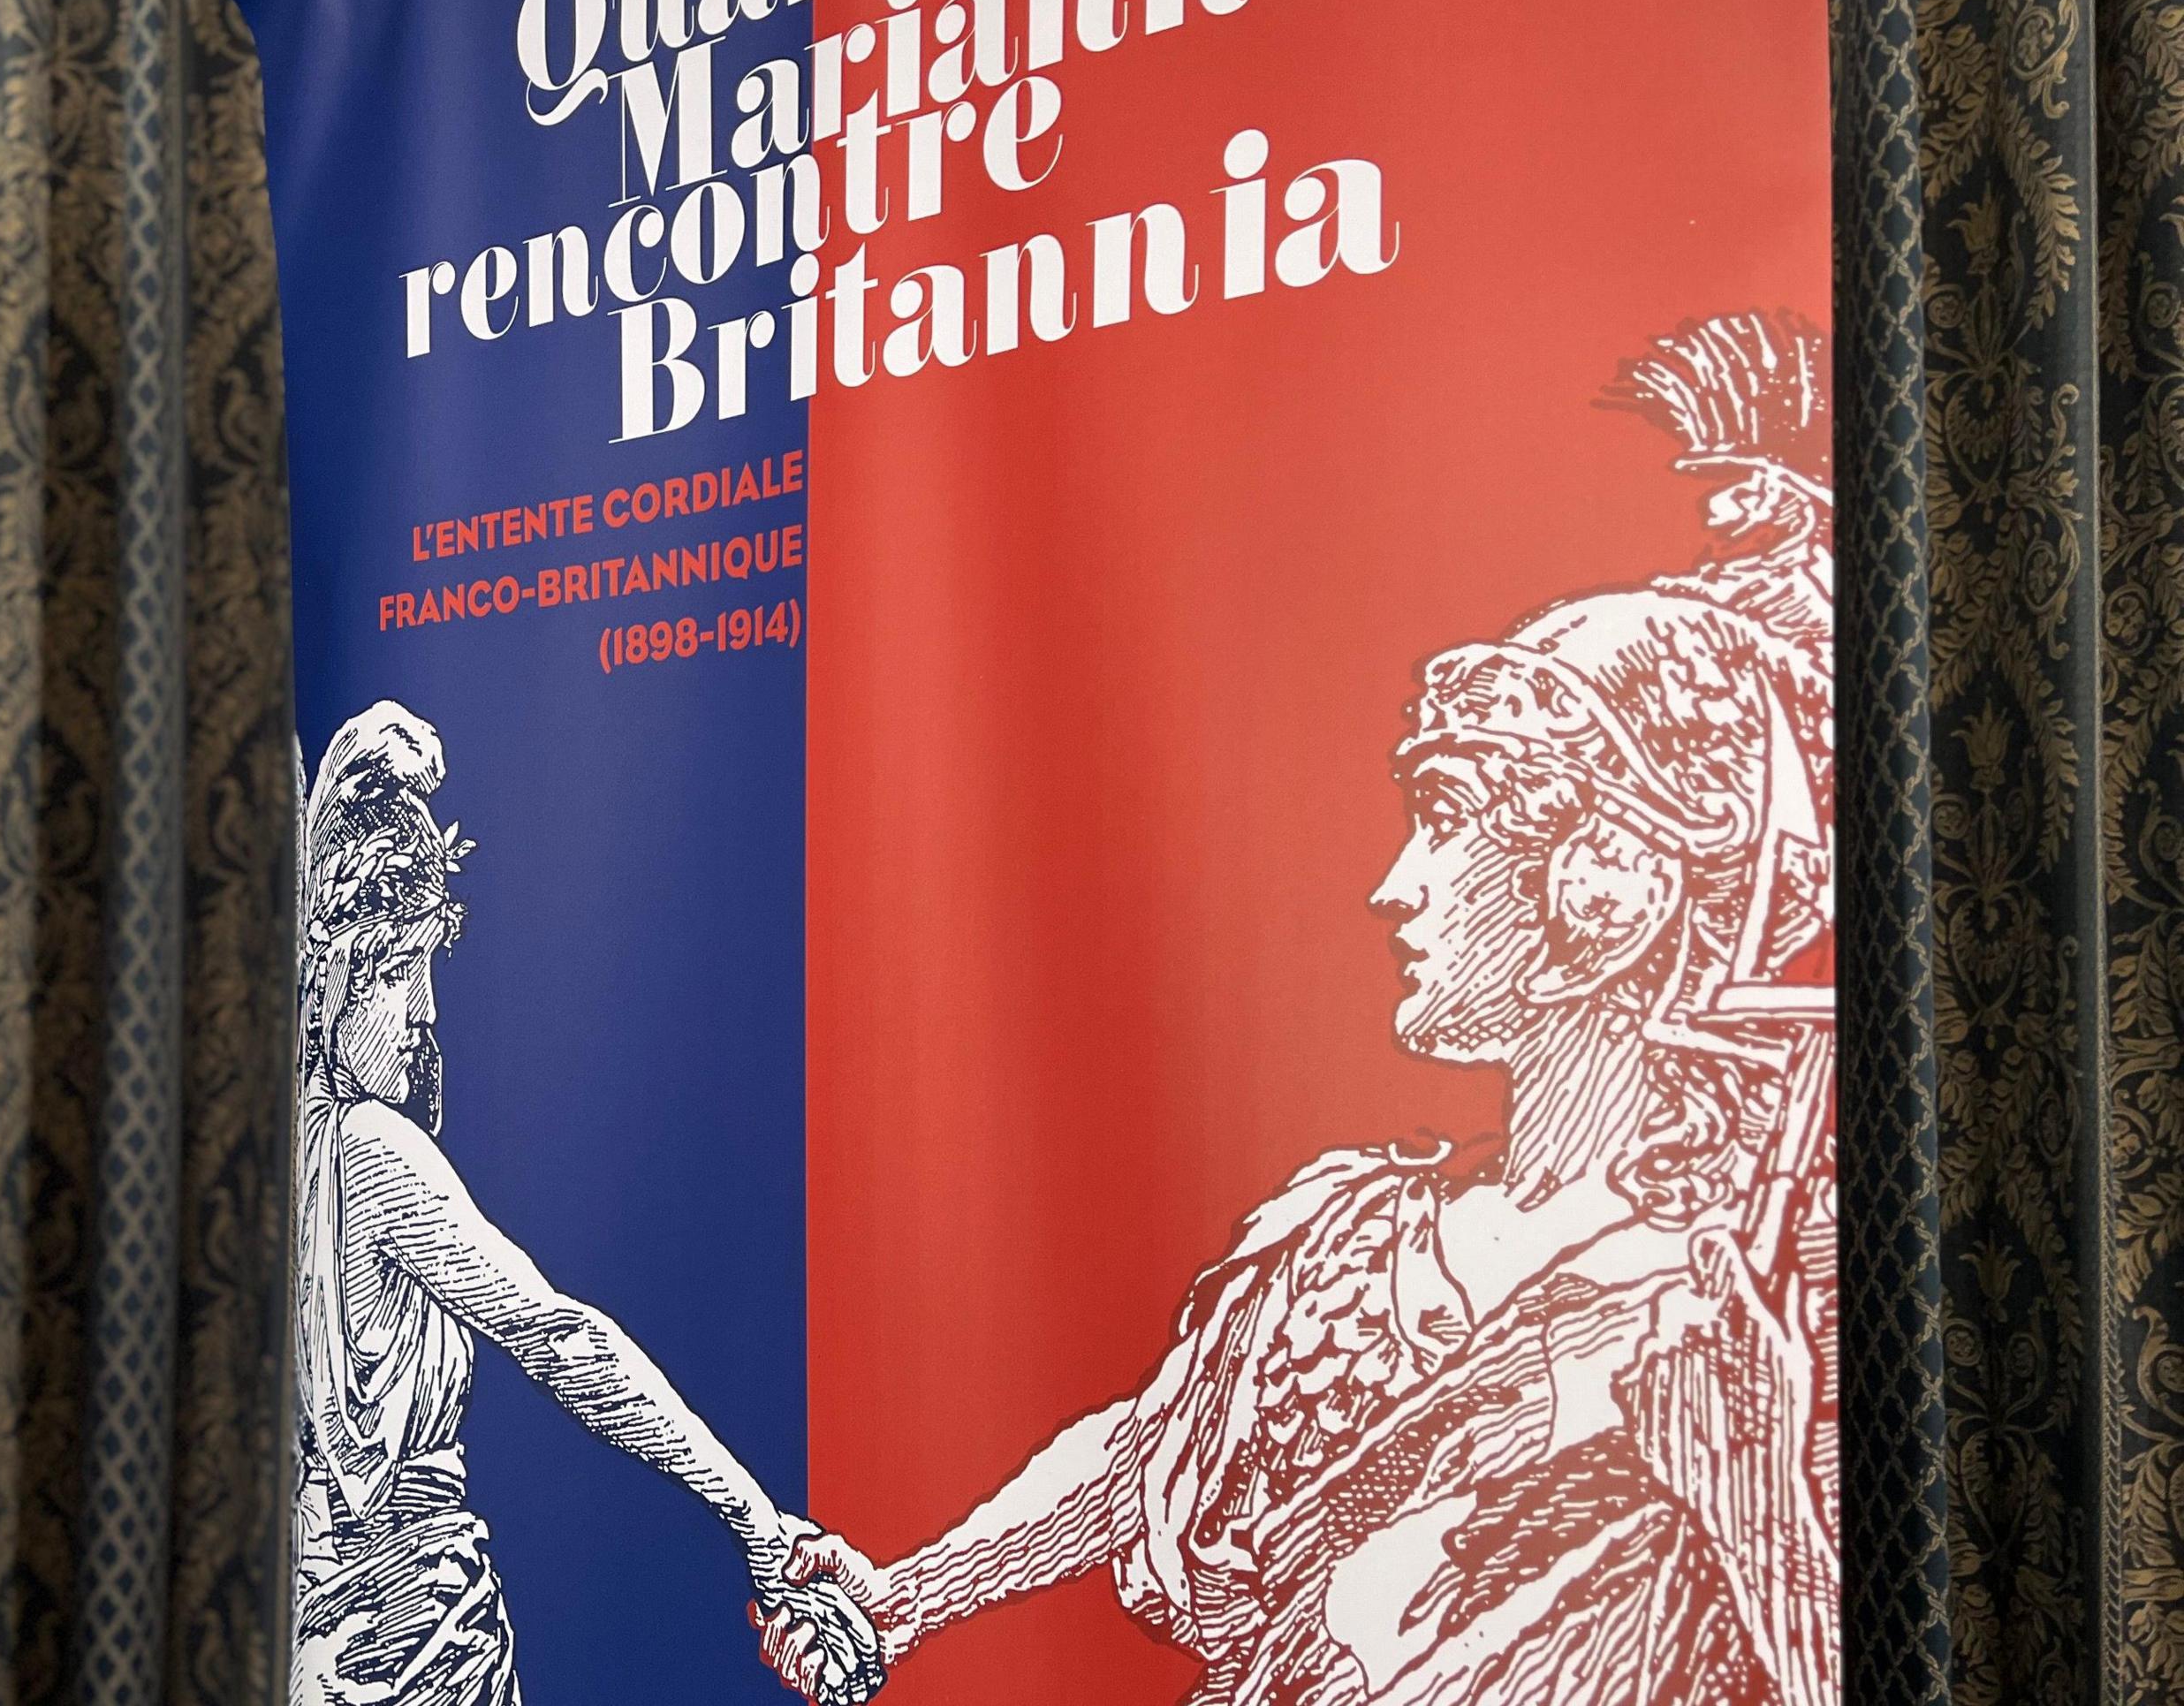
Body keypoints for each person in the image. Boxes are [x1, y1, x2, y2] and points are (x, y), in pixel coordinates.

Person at [764, 314, 1842, 1706]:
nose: (1399, 887)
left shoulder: (1761, 1310)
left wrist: (1753, 1496)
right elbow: (1154, 1445)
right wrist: (908, 1594)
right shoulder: (1351, 1232)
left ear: (1608, 889)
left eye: (1452, 823)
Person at [292, 701, 879, 1706]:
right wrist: (756, 1521)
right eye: (401, 970)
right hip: (411, 1646)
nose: (427, 1011)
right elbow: (565, 1341)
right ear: (336, 973)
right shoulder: (367, 1150)